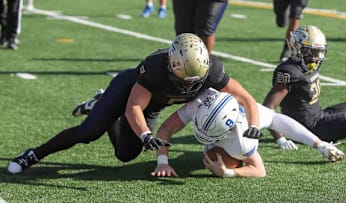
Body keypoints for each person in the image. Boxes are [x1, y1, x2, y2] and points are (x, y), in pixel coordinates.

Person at [7, 33, 261, 174]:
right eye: (185, 78)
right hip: (127, 92)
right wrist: (146, 133)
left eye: (197, 80)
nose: (190, 85)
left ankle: (98, 105)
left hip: (153, 105)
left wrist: (255, 126)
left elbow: (247, 98)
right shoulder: (154, 68)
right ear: (172, 65)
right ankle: (34, 154)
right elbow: (133, 108)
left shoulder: (214, 70)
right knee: (88, 132)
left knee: (126, 154)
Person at [151, 89, 344, 178]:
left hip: (248, 122)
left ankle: (320, 143)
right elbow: (166, 129)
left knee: (271, 117)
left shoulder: (242, 141)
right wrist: (163, 162)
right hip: (229, 109)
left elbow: (259, 170)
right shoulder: (199, 103)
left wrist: (228, 172)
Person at [263, 25, 346, 145]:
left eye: (318, 52)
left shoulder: (304, 66)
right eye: (312, 52)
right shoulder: (289, 71)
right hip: (311, 130)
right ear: (297, 48)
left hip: (320, 116)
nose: (316, 57)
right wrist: (280, 139)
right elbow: (267, 107)